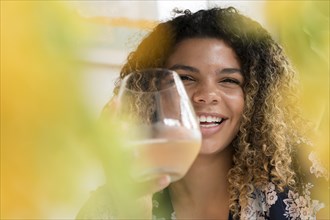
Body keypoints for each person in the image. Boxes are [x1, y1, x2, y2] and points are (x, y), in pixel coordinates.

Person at [77, 7, 327, 219]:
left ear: (257, 97)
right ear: (150, 91)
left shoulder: (309, 183)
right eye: (185, 78)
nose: (206, 95)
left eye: (229, 80)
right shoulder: (107, 206)